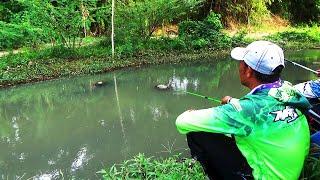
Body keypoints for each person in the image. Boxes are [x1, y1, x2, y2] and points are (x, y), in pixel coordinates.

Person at [176, 41, 311, 179]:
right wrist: (231, 102)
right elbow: (260, 106)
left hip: (265, 176)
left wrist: (190, 113)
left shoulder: (246, 110)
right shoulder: (289, 91)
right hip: (291, 173)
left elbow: (182, 121)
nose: (239, 66)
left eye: (242, 62)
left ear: (248, 71)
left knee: (196, 131)